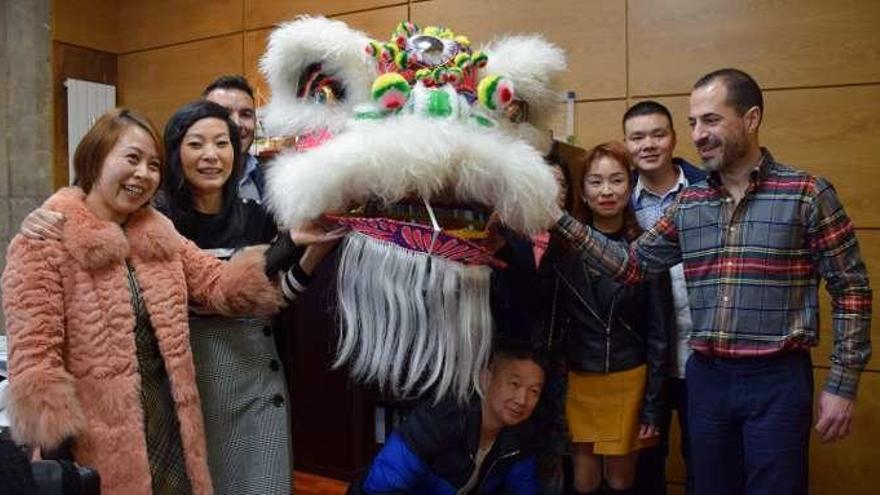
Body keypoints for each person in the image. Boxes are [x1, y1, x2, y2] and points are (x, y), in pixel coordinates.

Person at [549, 68, 872, 495]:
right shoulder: (689, 204)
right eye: (694, 123)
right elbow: (631, 266)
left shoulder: (807, 194)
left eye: (711, 120)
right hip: (707, 377)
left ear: (751, 118)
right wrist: (559, 220)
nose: (699, 134)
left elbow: (851, 290)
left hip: (776, 379)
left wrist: (843, 384)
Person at [0, 108, 320, 494]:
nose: (143, 174)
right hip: (98, 444)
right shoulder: (45, 242)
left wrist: (292, 242)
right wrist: (58, 454)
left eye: (153, 165)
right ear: (94, 158)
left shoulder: (158, 233)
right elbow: (36, 364)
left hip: (173, 430)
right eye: (132, 159)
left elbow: (220, 285)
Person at [156, 99, 341, 494]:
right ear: (175, 152)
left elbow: (271, 299)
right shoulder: (161, 221)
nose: (211, 155)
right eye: (196, 144)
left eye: (222, 143)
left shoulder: (255, 215)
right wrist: (288, 243)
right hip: (200, 381)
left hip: (258, 373)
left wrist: (315, 251)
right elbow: (212, 295)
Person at [539, 142, 671, 495]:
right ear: (582, 190)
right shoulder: (562, 246)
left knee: (621, 480)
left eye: (616, 180)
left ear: (630, 186)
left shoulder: (647, 245)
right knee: (583, 481)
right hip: (580, 377)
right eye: (596, 182)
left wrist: (653, 408)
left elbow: (661, 334)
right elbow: (550, 317)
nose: (607, 191)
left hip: (629, 377)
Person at [623, 101, 705, 495]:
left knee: (705, 462)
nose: (648, 145)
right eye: (638, 137)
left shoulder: (709, 189)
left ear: (673, 138)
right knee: (644, 466)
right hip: (642, 358)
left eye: (658, 134)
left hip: (702, 355)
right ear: (627, 144)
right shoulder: (617, 199)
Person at [348, 341, 546, 495]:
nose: (522, 399)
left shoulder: (521, 436)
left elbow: (524, 488)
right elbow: (381, 487)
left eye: (534, 391)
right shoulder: (442, 418)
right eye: (514, 384)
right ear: (486, 379)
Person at [202, 75, 264, 202]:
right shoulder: (178, 188)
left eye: (246, 114)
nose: (236, 123)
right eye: (224, 114)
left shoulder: (271, 183)